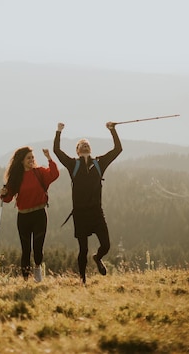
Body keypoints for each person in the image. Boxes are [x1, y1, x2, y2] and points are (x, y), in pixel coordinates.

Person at [53, 121, 122, 284]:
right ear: (77, 150)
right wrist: (58, 131)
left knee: (106, 245)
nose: (84, 145)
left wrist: (112, 130)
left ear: (90, 148)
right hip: (80, 214)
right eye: (81, 144)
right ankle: (82, 280)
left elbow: (118, 149)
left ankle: (98, 258)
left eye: (87, 144)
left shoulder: (99, 163)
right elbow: (56, 151)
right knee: (82, 249)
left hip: (96, 212)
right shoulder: (72, 164)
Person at [0, 146, 59, 282]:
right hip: (23, 217)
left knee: (38, 247)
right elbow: (7, 198)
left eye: (33, 157)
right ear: (22, 161)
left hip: (39, 214)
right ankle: (25, 278)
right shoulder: (16, 178)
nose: (32, 160)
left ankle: (37, 270)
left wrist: (49, 158)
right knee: (26, 250)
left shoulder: (39, 172)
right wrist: (3, 194)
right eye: (28, 158)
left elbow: (54, 174)